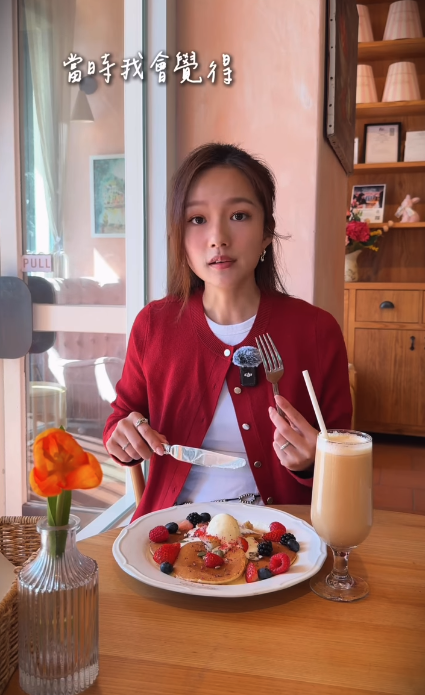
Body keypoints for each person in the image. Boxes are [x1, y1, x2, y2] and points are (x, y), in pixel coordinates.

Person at [103, 143, 352, 520]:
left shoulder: (316, 330)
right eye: (197, 219)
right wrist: (123, 436)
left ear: (266, 232)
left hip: (280, 533)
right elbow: (121, 420)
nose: (218, 237)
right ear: (179, 237)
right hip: (172, 530)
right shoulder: (153, 325)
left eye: (238, 215)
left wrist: (313, 462)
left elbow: (344, 460)